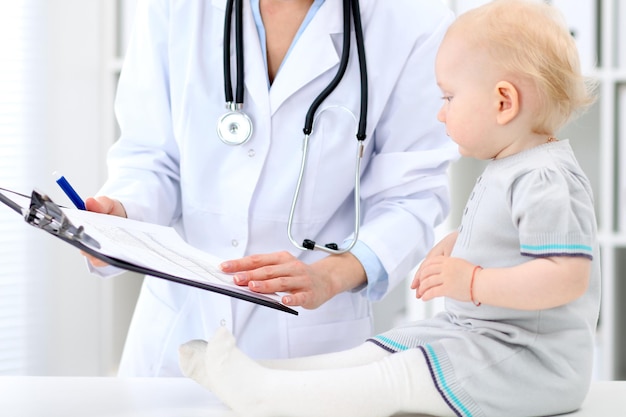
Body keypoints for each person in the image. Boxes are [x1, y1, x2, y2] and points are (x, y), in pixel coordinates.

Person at [177, 1, 601, 416]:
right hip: (489, 339)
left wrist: (472, 280)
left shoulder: (546, 178)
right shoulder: (511, 167)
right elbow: (514, 239)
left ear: (503, 102)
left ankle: (265, 394)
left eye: (450, 97)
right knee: (392, 347)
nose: (440, 112)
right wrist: (463, 244)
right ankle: (264, 377)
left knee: (406, 374)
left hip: (531, 363)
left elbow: (565, 278)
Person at [85, 0, 458, 376]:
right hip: (178, 333)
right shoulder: (175, 7)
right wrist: (122, 215)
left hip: (308, 346)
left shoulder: (414, 21)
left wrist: (328, 276)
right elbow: (151, 157)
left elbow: (411, 198)